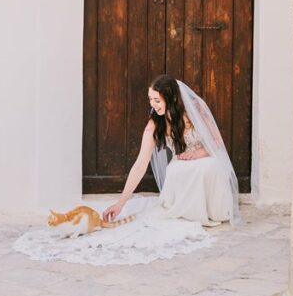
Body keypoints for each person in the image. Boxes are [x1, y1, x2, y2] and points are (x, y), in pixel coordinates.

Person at [102, 74, 240, 227]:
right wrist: (120, 204)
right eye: (150, 99)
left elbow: (217, 142)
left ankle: (210, 211)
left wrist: (198, 153)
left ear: (172, 98)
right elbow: (140, 165)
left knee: (208, 167)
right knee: (176, 170)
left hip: (206, 156)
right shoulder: (153, 125)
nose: (152, 104)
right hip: (181, 164)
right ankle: (189, 211)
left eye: (157, 100)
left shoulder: (194, 110)